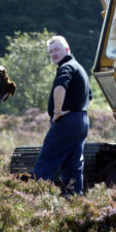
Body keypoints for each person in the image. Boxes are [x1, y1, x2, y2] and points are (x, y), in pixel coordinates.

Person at [32, 36, 92, 195]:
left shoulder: (66, 67)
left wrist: (57, 112)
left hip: (67, 121)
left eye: (56, 49)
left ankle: (35, 200)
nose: (53, 54)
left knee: (45, 163)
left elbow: (60, 87)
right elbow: (90, 96)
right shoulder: (79, 68)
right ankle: (73, 202)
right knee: (73, 166)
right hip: (80, 121)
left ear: (67, 50)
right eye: (51, 51)